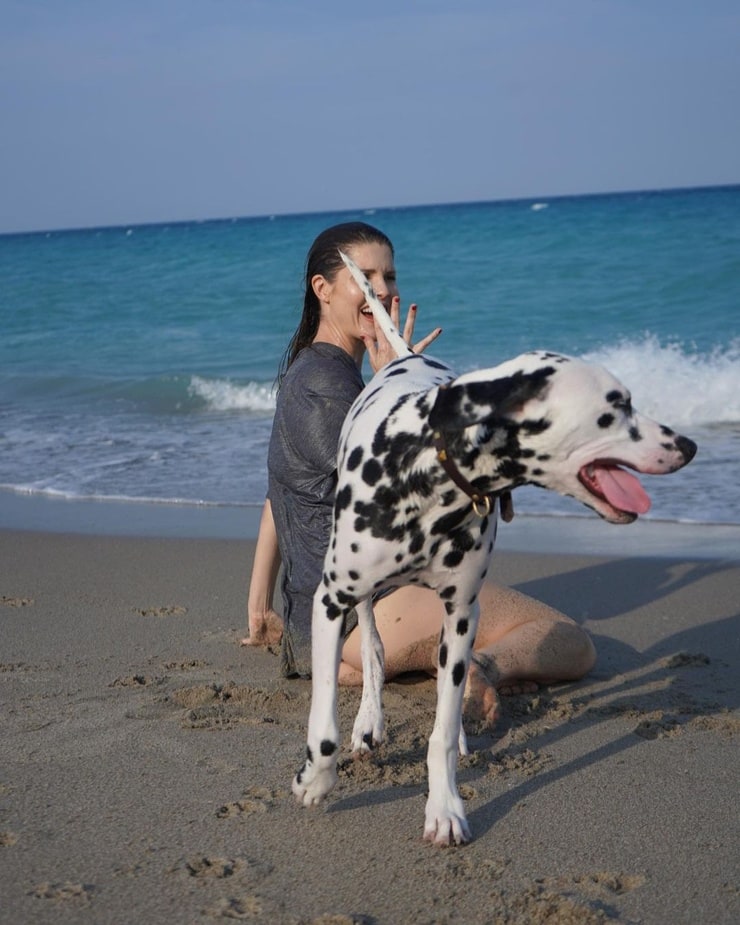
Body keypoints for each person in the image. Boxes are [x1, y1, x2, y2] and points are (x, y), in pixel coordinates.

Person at [242, 221, 595, 728]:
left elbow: (279, 493)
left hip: (317, 622)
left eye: (388, 275)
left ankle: (393, 663)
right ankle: (479, 664)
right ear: (322, 289)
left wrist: (260, 607)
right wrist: (398, 382)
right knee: (567, 639)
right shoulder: (328, 388)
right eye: (364, 277)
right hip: (364, 611)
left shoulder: (309, 375)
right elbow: (405, 486)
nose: (382, 290)